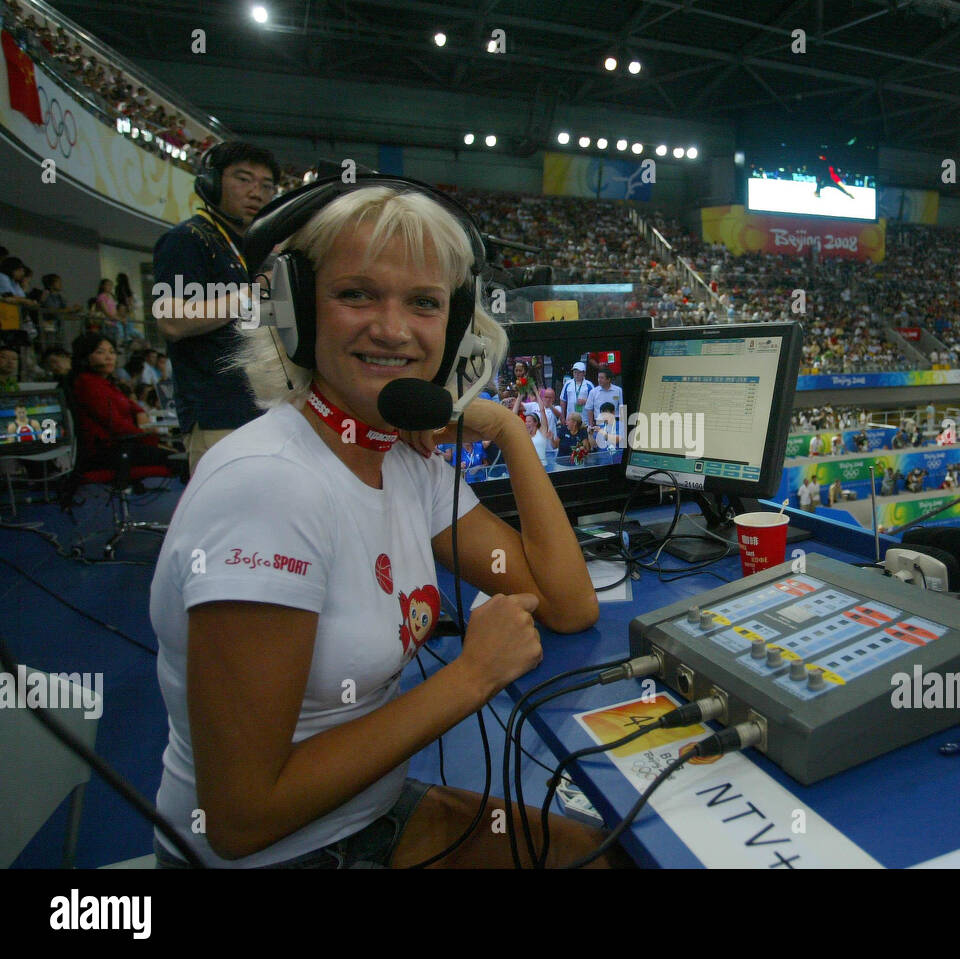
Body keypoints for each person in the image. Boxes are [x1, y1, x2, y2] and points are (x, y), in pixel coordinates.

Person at [148, 181, 610, 869]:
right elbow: (239, 819)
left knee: (609, 854)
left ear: (452, 329)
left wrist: (508, 428)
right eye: (356, 294)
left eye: (424, 303)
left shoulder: (402, 460)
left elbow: (566, 602)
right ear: (297, 310)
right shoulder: (269, 486)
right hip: (280, 857)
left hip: (370, 814)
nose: (393, 329)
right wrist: (471, 676)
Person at [152, 140, 281, 473]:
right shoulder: (189, 238)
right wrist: (250, 295)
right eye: (243, 179)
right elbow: (171, 320)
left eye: (266, 186)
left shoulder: (254, 249)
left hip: (267, 406)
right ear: (212, 183)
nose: (257, 193)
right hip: (218, 413)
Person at [68, 332, 177, 474]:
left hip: (127, 444)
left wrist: (140, 412)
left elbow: (131, 405)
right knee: (180, 459)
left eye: (112, 352)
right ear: (85, 357)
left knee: (180, 453)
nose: (109, 357)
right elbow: (115, 424)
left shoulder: (107, 383)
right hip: (110, 451)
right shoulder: (87, 384)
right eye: (101, 352)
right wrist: (149, 437)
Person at [585, 366, 622, 430]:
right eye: (598, 377)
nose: (599, 380)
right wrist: (591, 426)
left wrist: (622, 425)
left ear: (608, 379)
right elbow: (589, 409)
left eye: (602, 378)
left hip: (614, 423)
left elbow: (621, 407)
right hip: (599, 424)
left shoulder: (618, 390)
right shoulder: (593, 392)